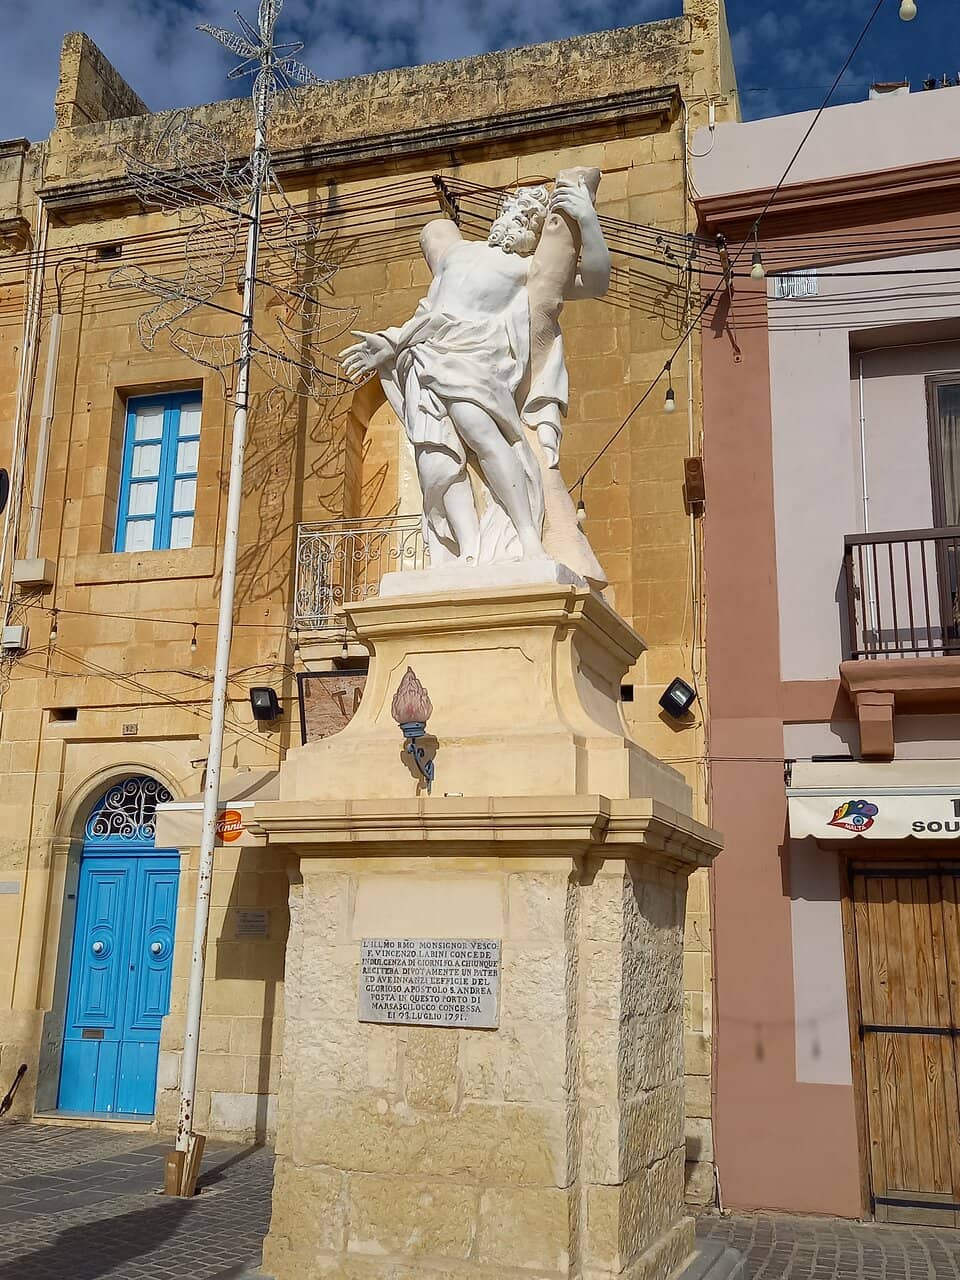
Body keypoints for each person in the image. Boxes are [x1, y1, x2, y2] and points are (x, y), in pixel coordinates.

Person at [339, 172, 610, 581]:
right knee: (434, 459)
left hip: (473, 362)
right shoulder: (458, 255)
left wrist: (587, 220)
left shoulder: (527, 270)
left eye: (532, 217)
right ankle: (469, 549)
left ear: (536, 234)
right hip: (423, 357)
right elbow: (429, 309)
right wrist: (390, 343)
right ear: (500, 215)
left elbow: (596, 281)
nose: (521, 218)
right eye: (517, 209)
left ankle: (527, 537)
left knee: (481, 433)